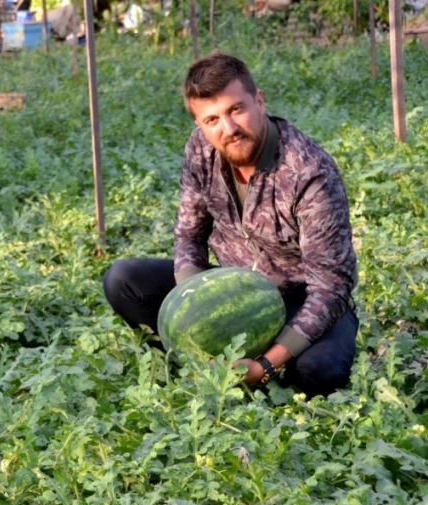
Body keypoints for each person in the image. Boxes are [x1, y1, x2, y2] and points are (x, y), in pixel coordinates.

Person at [103, 52, 358, 398]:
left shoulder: (310, 172)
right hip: (230, 291)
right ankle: (200, 368)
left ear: (259, 100)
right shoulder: (201, 151)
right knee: (124, 281)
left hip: (298, 301)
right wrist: (197, 311)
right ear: (200, 125)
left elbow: (331, 285)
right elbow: (190, 235)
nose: (229, 129)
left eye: (236, 109)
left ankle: (263, 369)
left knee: (319, 370)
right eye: (212, 120)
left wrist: (267, 365)